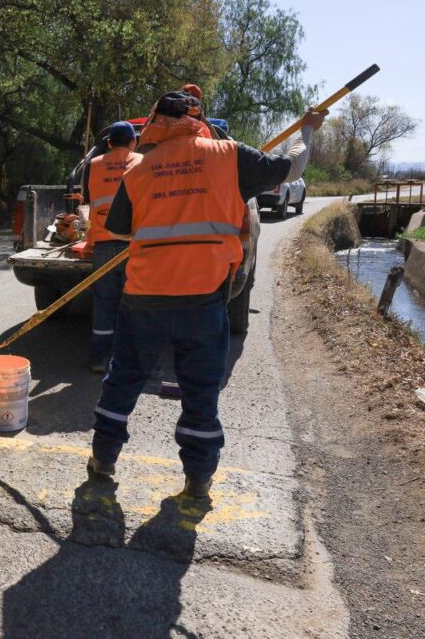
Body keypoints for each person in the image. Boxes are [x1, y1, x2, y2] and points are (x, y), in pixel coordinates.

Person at [86, 90, 327, 498]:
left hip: (144, 295)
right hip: (202, 297)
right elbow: (291, 169)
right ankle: (198, 477)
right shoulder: (228, 156)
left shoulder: (139, 171)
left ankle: (104, 458)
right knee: (199, 389)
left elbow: (124, 230)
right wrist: (305, 128)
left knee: (124, 378)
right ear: (199, 119)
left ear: (154, 122)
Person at [80, 121, 141, 373]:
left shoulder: (93, 165)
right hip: (133, 247)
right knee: (133, 305)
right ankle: (126, 361)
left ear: (109, 143)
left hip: (102, 244)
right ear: (133, 142)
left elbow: (88, 202)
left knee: (104, 304)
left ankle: (99, 359)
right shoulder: (141, 162)